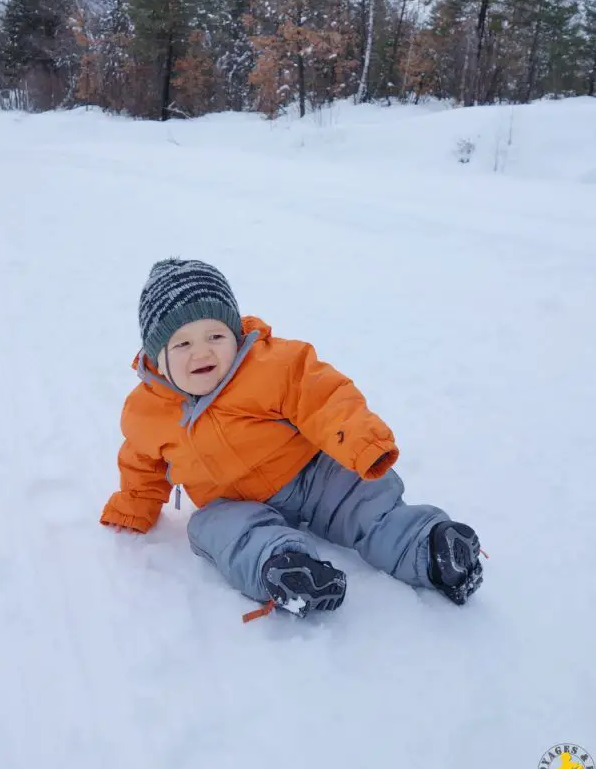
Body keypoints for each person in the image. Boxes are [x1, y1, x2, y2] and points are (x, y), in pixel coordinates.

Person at [100, 258, 484, 619]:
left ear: (235, 335)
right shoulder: (146, 412)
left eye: (215, 335)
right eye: (182, 344)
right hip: (233, 503)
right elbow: (141, 463)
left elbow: (325, 399)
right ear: (156, 358)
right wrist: (135, 507)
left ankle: (430, 550)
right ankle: (285, 568)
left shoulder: (273, 365)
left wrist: (361, 441)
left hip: (312, 475)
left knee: (364, 504)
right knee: (210, 529)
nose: (202, 351)